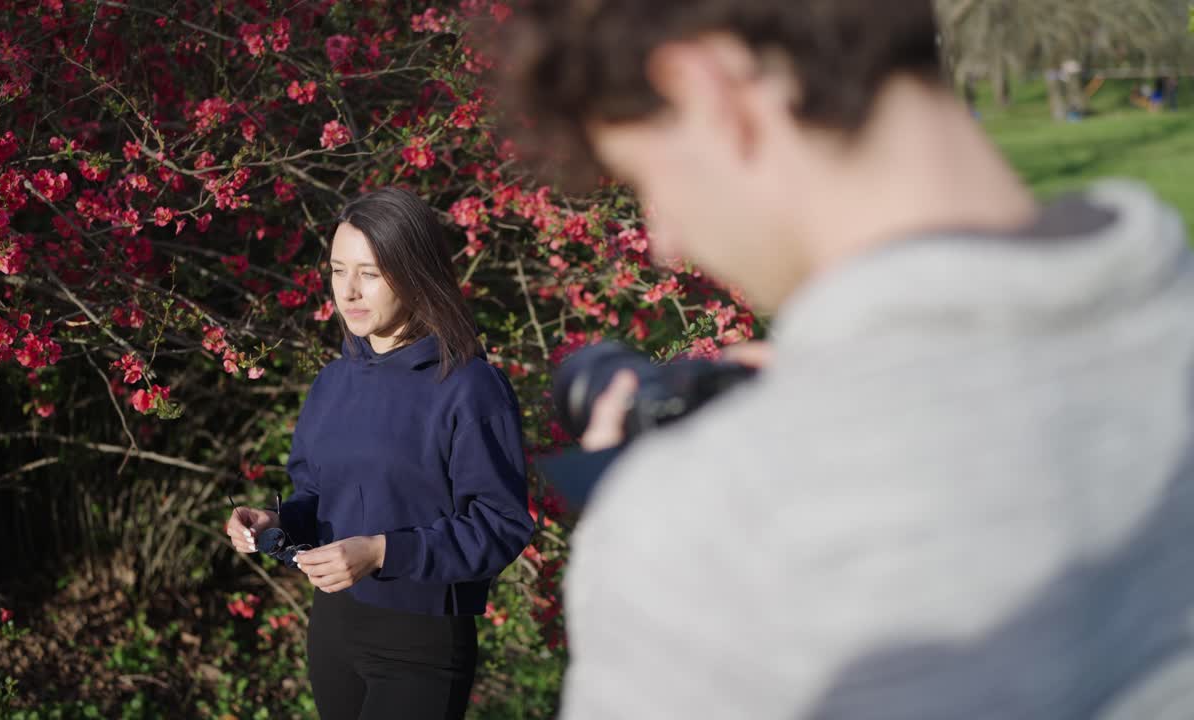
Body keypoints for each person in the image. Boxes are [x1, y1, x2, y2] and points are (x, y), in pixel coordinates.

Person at [498, 1, 1194, 718]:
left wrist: (665, 503)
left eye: (646, 182)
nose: (665, 242)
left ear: (707, 91)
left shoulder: (710, 523)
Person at [224, 188, 533, 720]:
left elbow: (500, 523)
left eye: (369, 272)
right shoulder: (334, 381)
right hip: (334, 634)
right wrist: (276, 520)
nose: (348, 291)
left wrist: (382, 551)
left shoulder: (470, 386)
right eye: (338, 270)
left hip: (422, 642)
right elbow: (319, 496)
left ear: (415, 272)